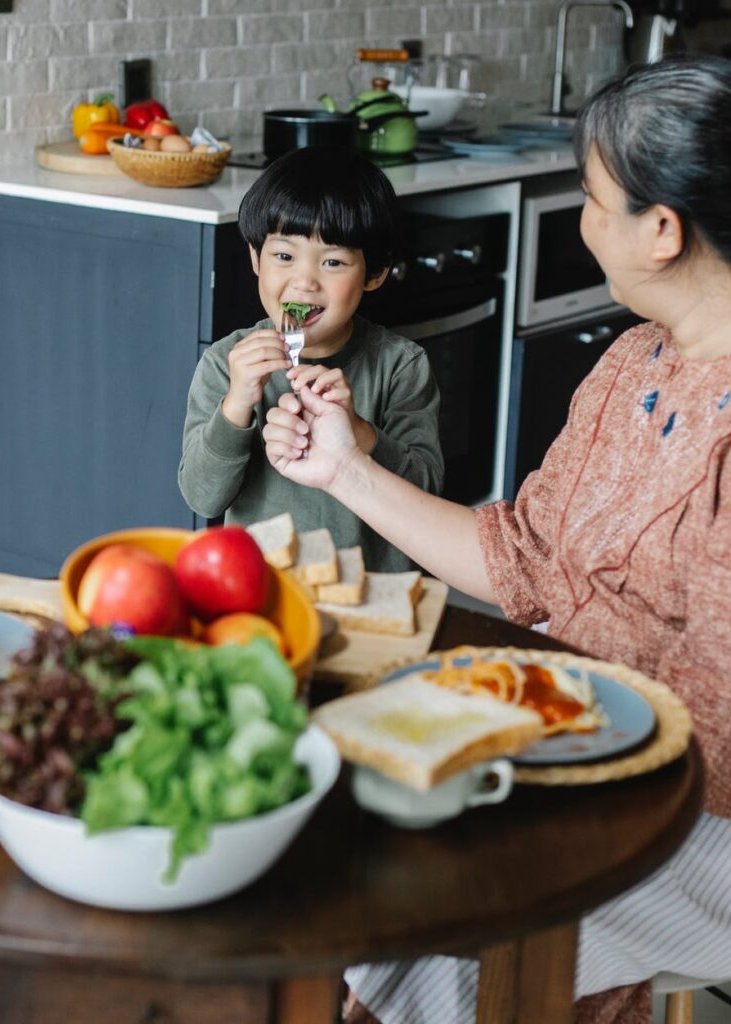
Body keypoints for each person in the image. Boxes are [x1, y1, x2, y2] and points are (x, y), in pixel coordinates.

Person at [263, 55, 731, 1024]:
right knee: (326, 849)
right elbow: (520, 558)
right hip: (584, 748)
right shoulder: (631, 359)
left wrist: (514, 749)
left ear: (660, 229)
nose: (578, 222)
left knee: (434, 932)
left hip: (694, 814)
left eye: (591, 199)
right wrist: (341, 470)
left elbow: (713, 733)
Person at [178, 145, 444, 572]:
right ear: (255, 259)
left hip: (370, 590)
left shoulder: (401, 366)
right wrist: (237, 405)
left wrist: (360, 434)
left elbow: (428, 492)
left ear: (374, 273)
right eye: (283, 256)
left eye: (333, 261)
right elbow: (201, 495)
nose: (304, 281)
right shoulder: (226, 363)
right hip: (262, 586)